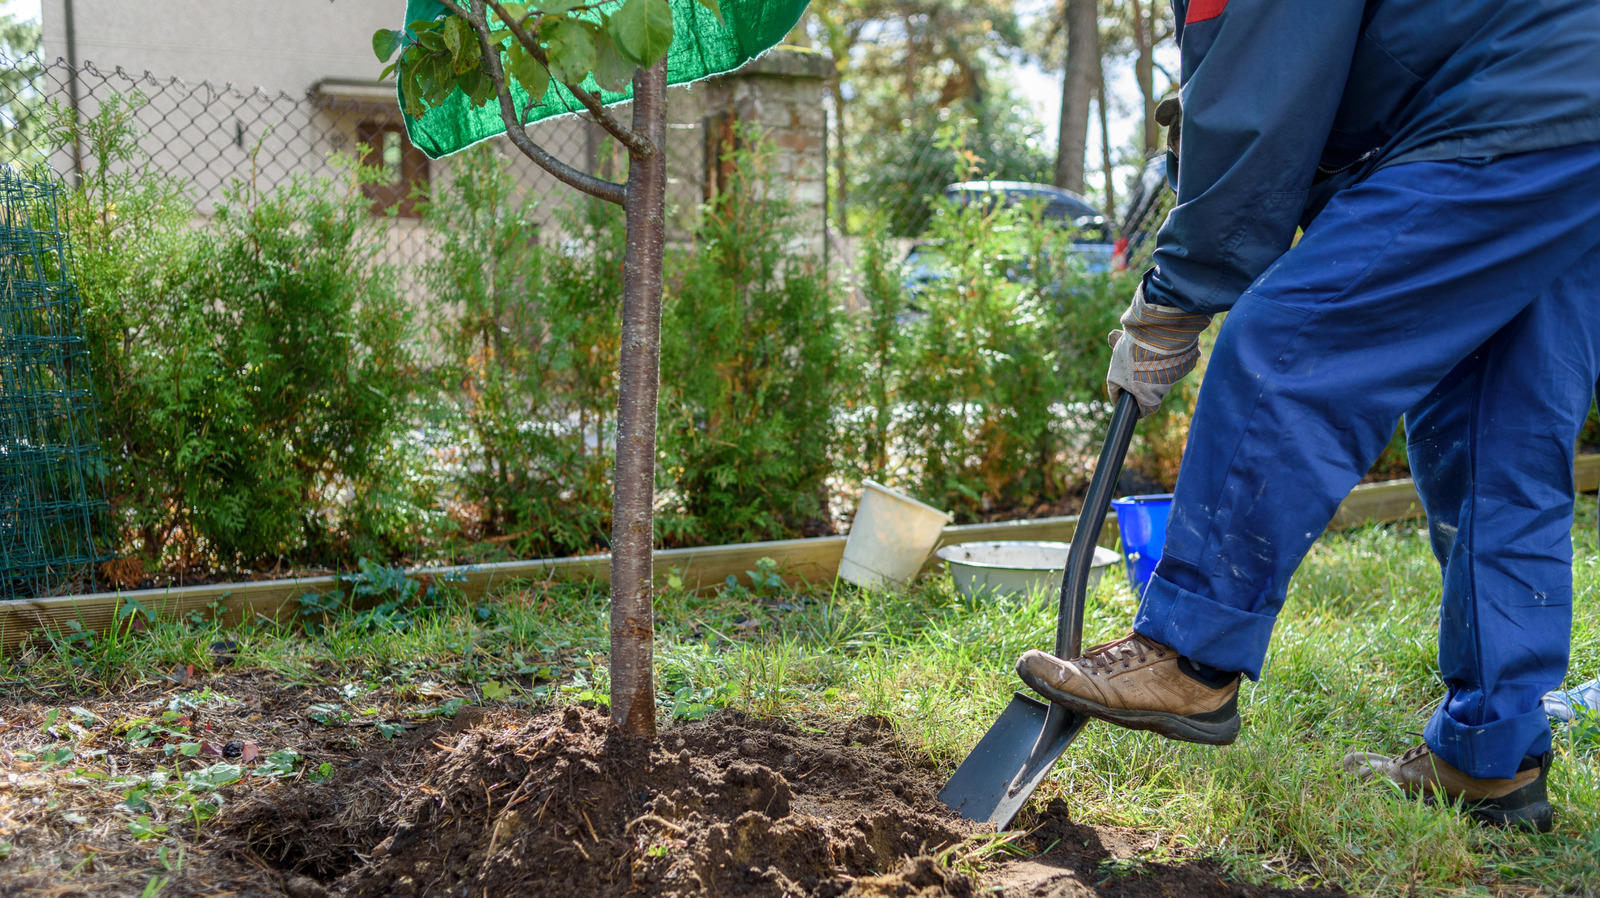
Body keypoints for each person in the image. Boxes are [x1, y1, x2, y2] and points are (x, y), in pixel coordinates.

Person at [1015, 0, 1600, 835]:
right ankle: (1492, 757)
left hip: (1506, 101)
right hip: (1574, 105)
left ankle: (1192, 652)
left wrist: (1177, 292)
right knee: (1495, 434)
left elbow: (1261, 105)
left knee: (1285, 345)